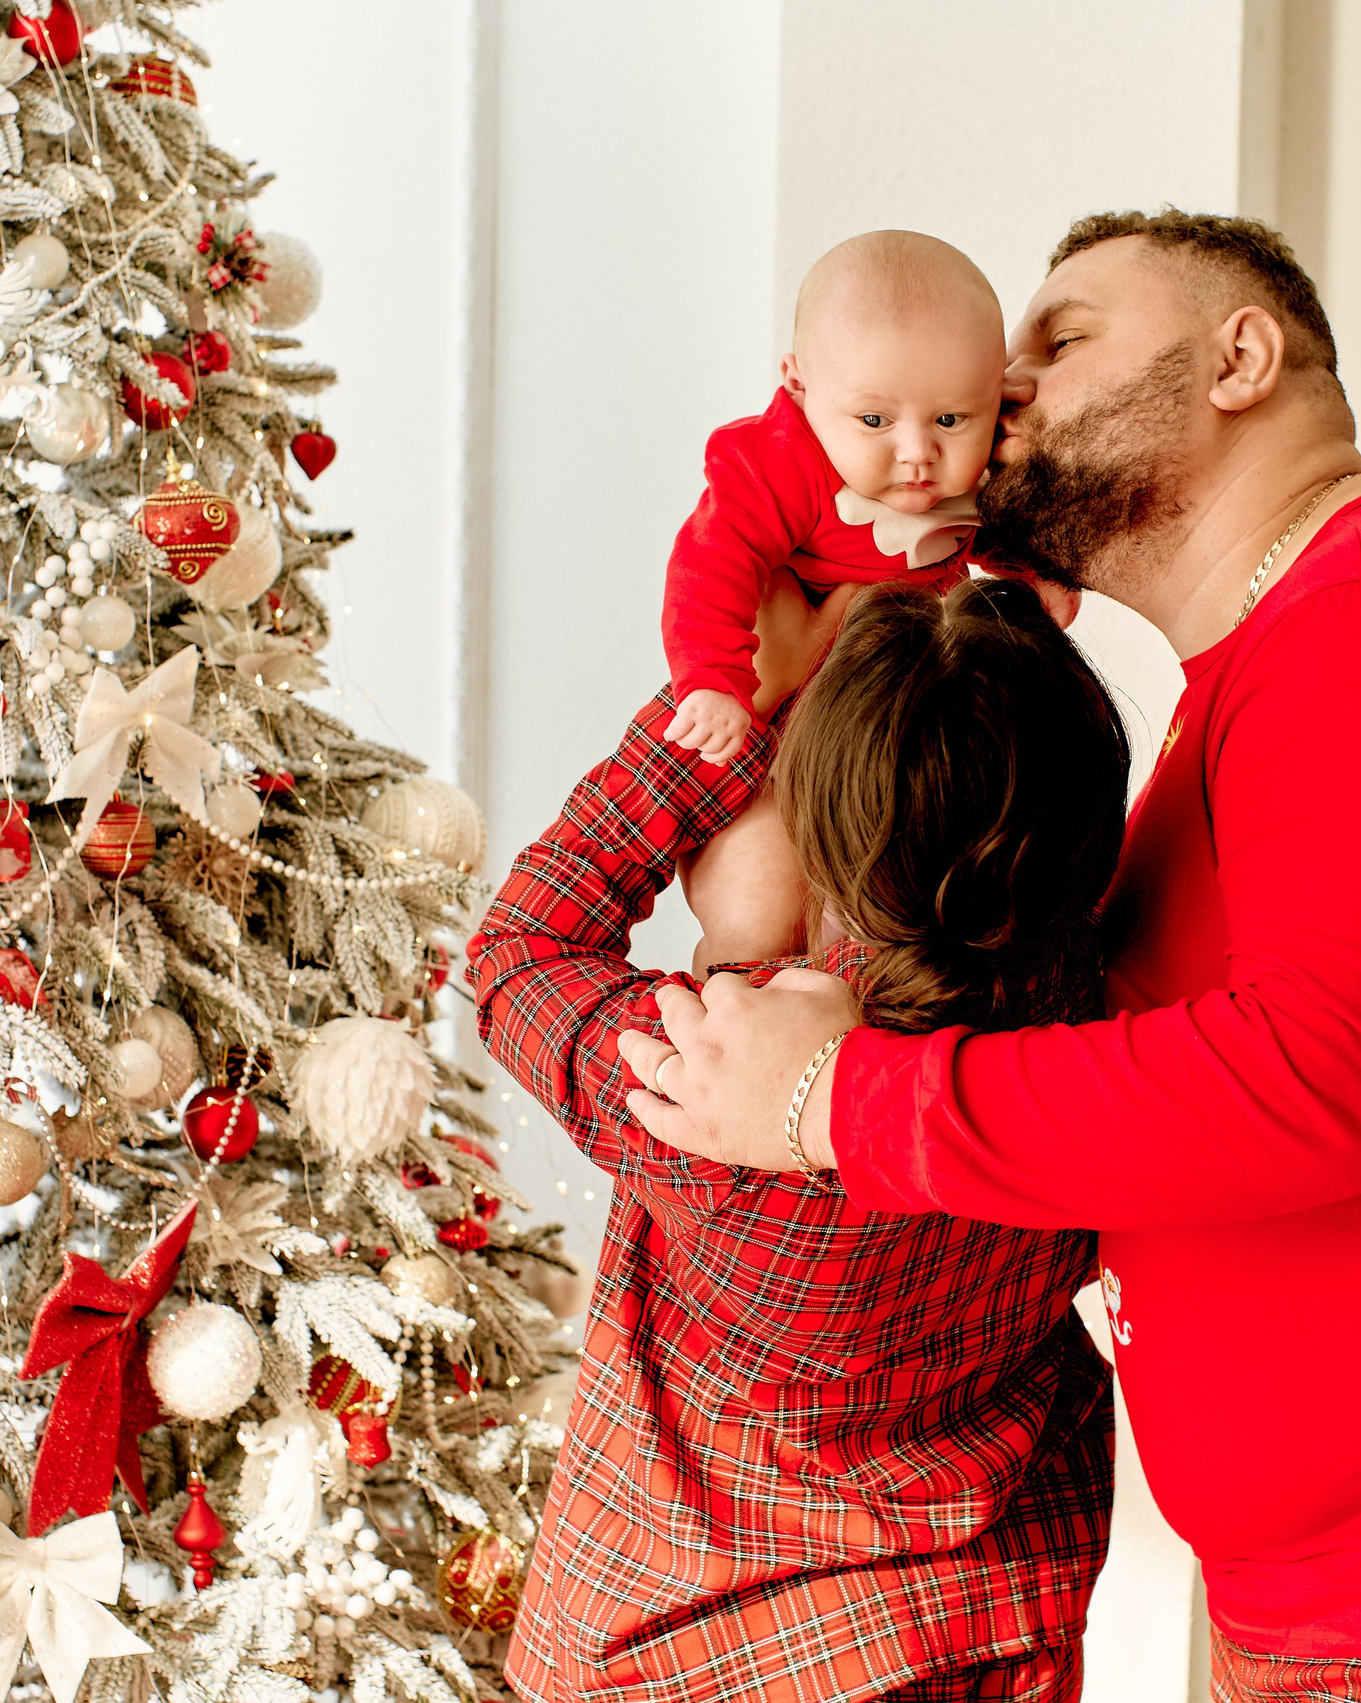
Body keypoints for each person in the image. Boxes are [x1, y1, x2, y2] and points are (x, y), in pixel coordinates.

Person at [624, 210, 1361, 1694]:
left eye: (1060, 344)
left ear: (1239, 356)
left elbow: (1324, 1077)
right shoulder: (1260, 671)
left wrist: (829, 1102)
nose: (1009, 399)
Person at [469, 573, 1130, 1701]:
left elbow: (517, 952)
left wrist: (716, 713)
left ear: (808, 829)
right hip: (976, 1632)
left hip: (674, 1651)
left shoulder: (720, 1093)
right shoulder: (1112, 1041)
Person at [660, 229, 1003, 766]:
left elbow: (1005, 530)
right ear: (799, 383)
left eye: (950, 418)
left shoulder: (979, 469)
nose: (918, 452)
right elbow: (712, 561)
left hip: (887, 703)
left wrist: (1038, 576)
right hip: (753, 688)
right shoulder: (781, 463)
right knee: (670, 784)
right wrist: (713, 680)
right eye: (873, 420)